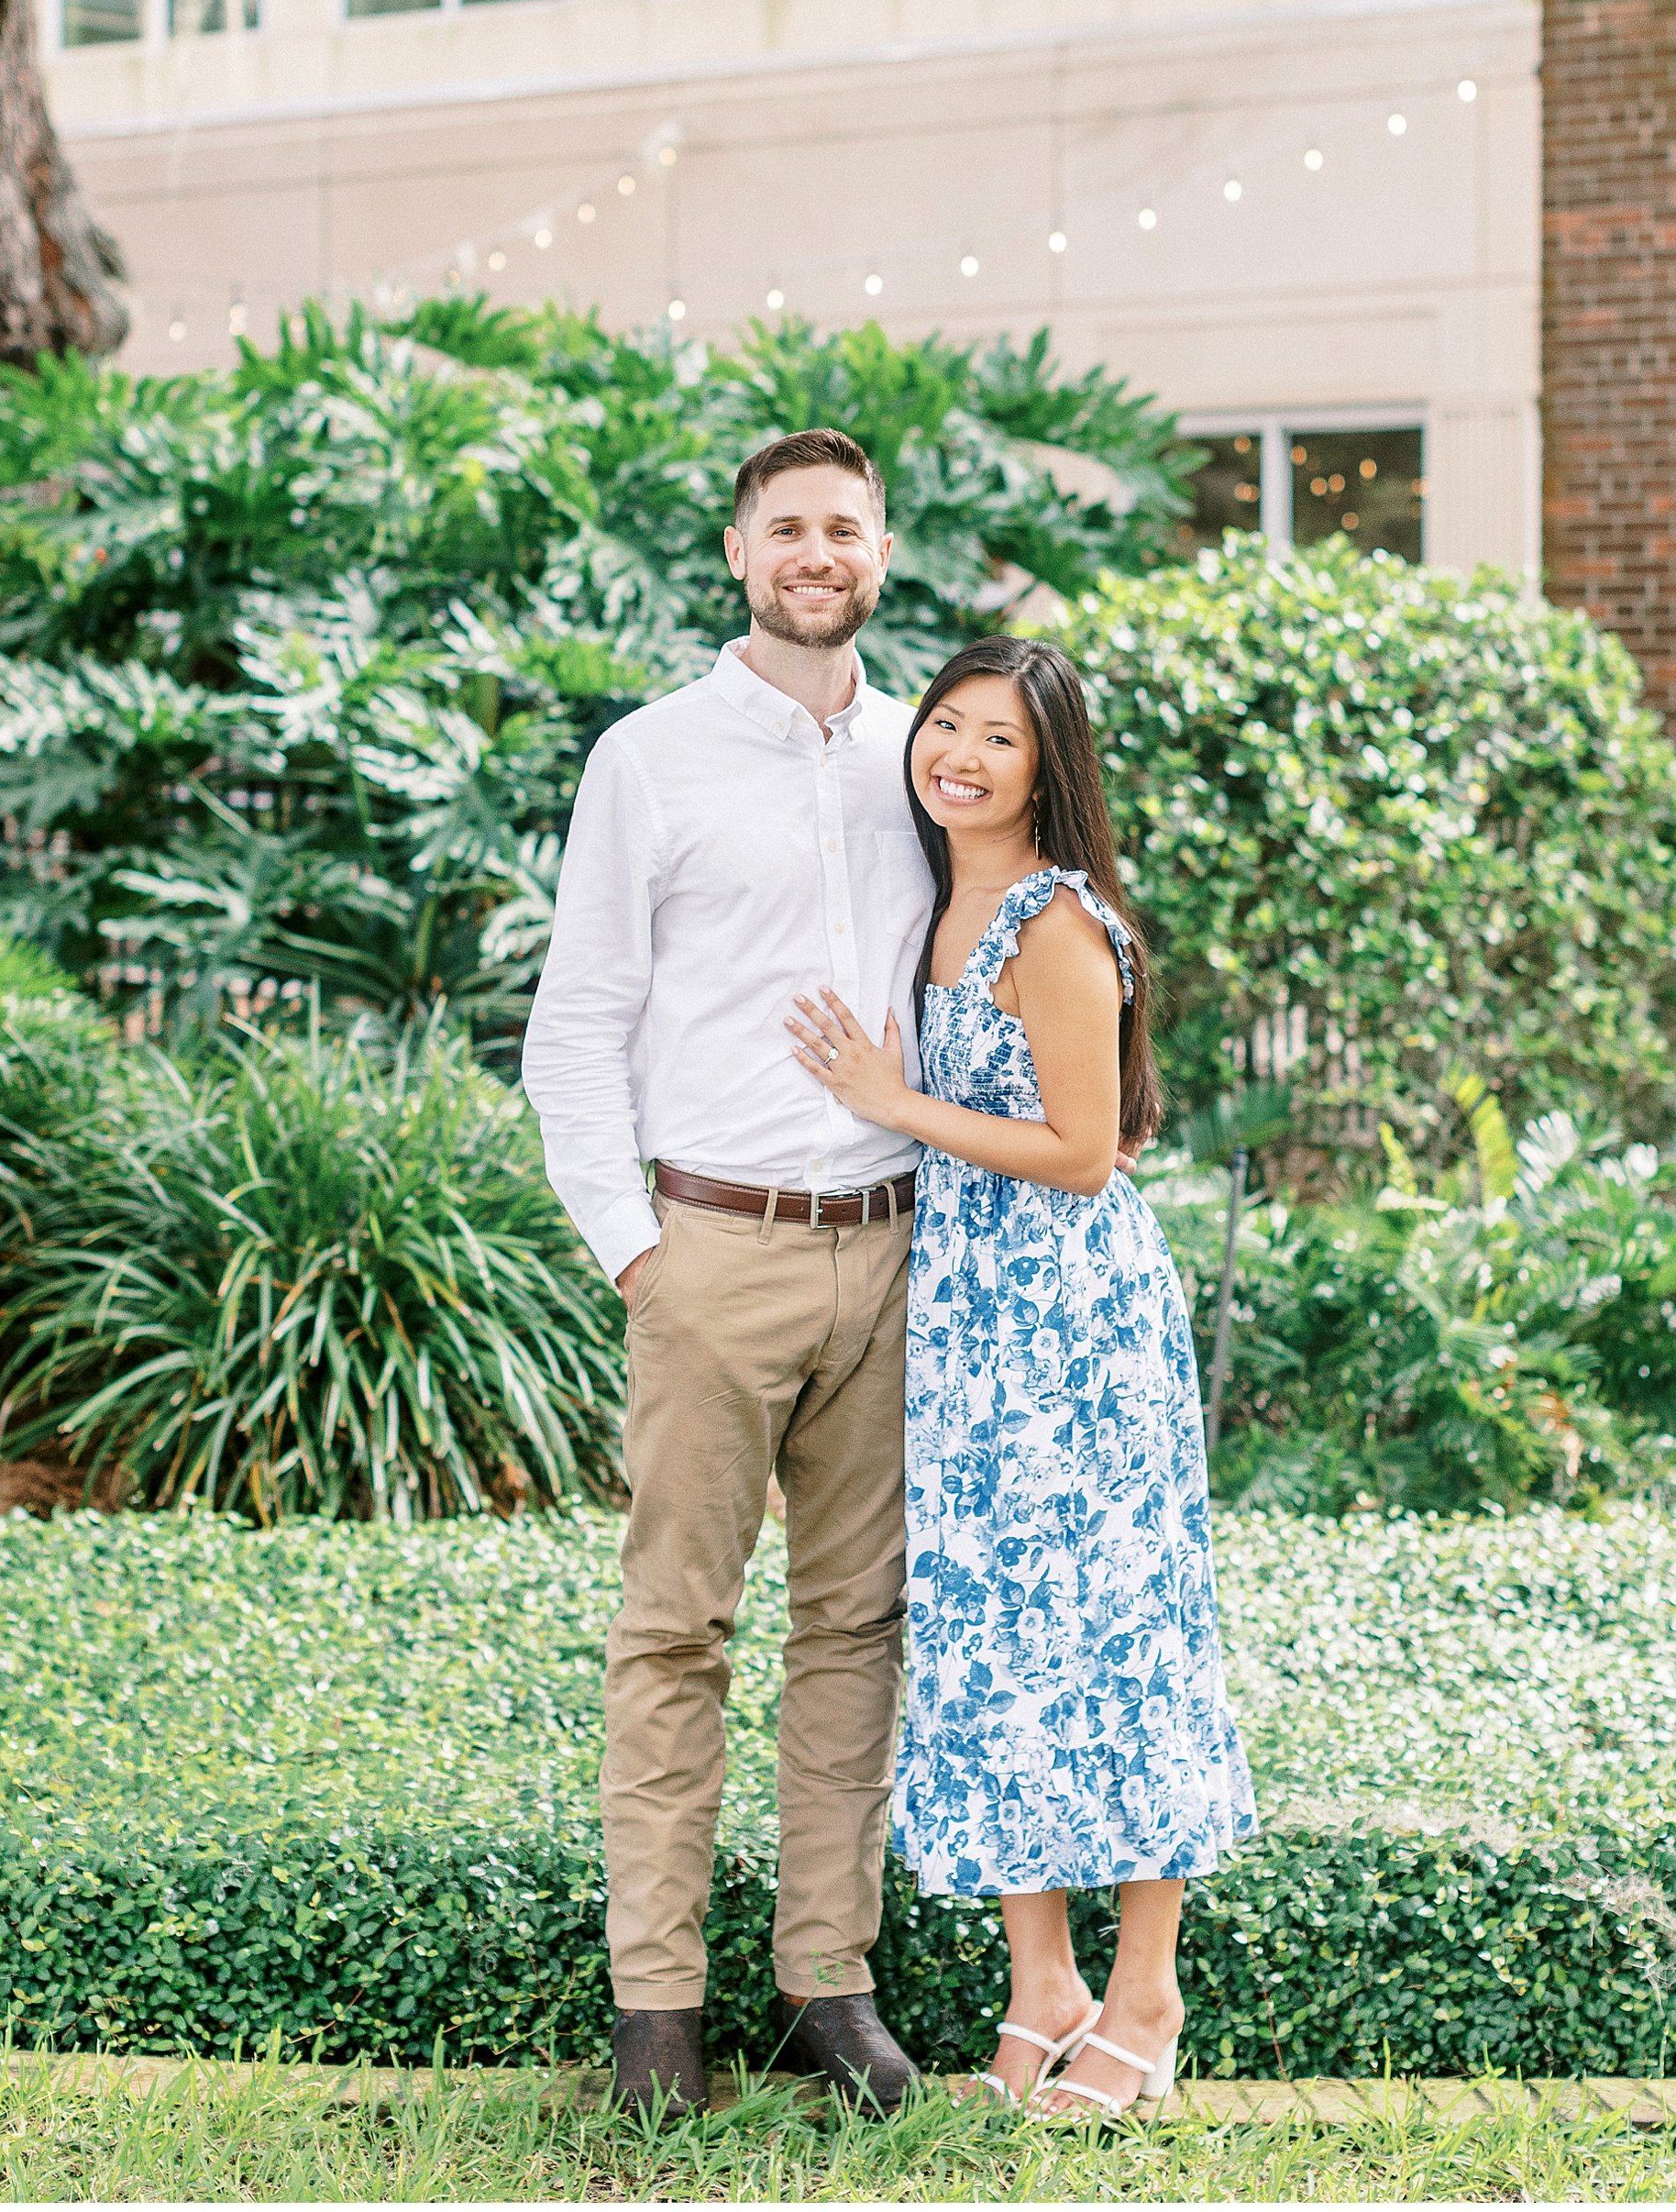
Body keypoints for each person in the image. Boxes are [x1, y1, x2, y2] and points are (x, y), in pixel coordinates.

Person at [786, 634, 1257, 2124]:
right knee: (1000, 1644)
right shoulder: (938, 901)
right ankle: (1042, 1985)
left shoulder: (1057, 919)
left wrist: (893, 1102)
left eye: (999, 738)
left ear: (1049, 767)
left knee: (1116, 1639)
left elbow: (1076, 1152)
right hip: (970, 1325)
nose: (960, 757)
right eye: (945, 727)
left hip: (1072, 1326)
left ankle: (1148, 1991)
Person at [521, 426, 933, 2119]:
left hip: (896, 1256)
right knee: (672, 1631)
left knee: (858, 1632)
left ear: (882, 553)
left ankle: (826, 1982)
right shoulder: (652, 758)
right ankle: (655, 2011)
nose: (815, 553)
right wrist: (640, 1256)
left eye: (843, 528)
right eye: (788, 529)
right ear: (739, 550)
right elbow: (576, 1029)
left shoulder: (930, 759)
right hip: (711, 1251)